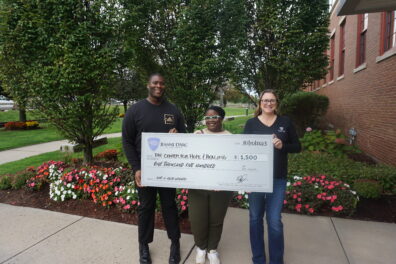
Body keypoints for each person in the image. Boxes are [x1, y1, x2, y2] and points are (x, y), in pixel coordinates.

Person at [122, 73, 186, 264]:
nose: (159, 86)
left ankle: (175, 244)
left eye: (162, 83)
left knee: (169, 207)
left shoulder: (173, 110)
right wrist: (136, 168)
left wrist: (177, 137)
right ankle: (143, 246)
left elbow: (184, 137)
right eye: (155, 83)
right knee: (146, 208)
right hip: (145, 170)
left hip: (167, 170)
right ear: (148, 85)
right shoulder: (135, 110)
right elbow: (127, 141)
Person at [243, 90, 301, 264]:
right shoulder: (251, 124)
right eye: (265, 100)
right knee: (255, 219)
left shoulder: (285, 122)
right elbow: (243, 151)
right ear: (260, 103)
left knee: (274, 221)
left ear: (277, 102)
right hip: (255, 178)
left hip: (278, 178)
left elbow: (297, 146)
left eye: (272, 100)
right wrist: (245, 177)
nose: (268, 103)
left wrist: (282, 145)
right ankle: (258, 259)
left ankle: (276, 261)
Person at [189, 106, 234, 264]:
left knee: (216, 220)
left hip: (220, 188)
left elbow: (233, 163)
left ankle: (212, 249)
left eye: (214, 117)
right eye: (207, 118)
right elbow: (186, 158)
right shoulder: (197, 135)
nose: (211, 120)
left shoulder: (230, 137)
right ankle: (201, 248)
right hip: (198, 187)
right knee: (197, 220)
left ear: (222, 118)